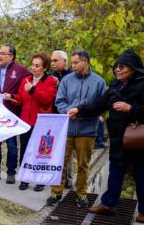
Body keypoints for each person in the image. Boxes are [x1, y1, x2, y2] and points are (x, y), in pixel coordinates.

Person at [67, 49, 144, 222]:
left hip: (139, 140)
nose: (117, 70)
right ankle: (108, 205)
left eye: (122, 67)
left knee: (141, 173)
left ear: (132, 68)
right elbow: (98, 104)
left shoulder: (142, 84)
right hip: (118, 138)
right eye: (116, 67)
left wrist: (131, 109)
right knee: (115, 171)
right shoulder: (115, 85)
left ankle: (143, 211)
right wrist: (79, 110)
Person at [47, 50, 107, 208]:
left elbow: (102, 105)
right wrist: (68, 111)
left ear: (86, 61)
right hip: (66, 128)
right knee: (60, 162)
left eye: (76, 63)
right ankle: (56, 192)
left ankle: (81, 193)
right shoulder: (66, 80)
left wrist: (84, 114)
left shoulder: (99, 82)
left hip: (87, 130)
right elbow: (59, 101)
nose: (72, 66)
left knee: (83, 164)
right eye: (71, 63)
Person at [3, 52, 58, 191]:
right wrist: (11, 97)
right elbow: (21, 99)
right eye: (33, 65)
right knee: (26, 150)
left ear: (44, 68)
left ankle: (40, 180)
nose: (33, 68)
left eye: (37, 66)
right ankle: (25, 178)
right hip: (26, 121)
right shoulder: (26, 80)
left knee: (40, 152)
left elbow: (47, 100)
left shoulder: (50, 81)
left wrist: (33, 89)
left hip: (42, 123)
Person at [0, 44, 30, 184]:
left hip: (11, 114)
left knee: (12, 146)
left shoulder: (21, 70)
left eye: (3, 53)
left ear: (11, 56)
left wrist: (13, 96)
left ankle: (11, 173)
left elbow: (28, 86)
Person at [49, 50, 74, 189]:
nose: (52, 63)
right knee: (51, 148)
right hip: (53, 116)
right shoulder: (50, 76)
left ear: (65, 61)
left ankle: (68, 177)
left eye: (55, 61)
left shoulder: (72, 76)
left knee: (67, 149)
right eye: (51, 61)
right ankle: (54, 176)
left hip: (68, 116)